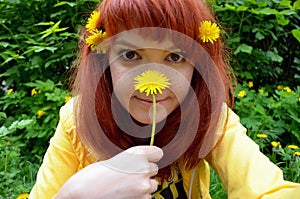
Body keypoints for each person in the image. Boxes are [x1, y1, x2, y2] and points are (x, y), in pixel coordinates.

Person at [29, 0, 300, 198]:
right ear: (105, 58)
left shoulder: (210, 119)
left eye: (175, 57)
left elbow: (268, 192)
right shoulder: (75, 122)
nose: (152, 83)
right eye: (131, 55)